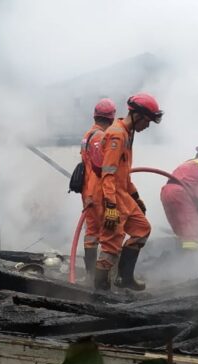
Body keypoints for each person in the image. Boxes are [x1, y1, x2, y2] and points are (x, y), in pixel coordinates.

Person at [92, 92, 163, 291]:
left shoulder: (126, 134)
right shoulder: (117, 135)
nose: (147, 126)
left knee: (142, 229)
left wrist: (136, 197)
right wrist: (111, 205)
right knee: (111, 244)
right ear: (138, 116)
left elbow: (123, 174)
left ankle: (125, 278)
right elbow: (108, 174)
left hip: (122, 194)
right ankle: (100, 290)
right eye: (147, 121)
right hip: (111, 195)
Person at [80, 98, 116, 283]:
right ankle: (105, 278)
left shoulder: (87, 135)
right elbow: (103, 167)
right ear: (111, 118)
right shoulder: (100, 137)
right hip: (99, 191)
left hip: (88, 191)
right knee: (110, 230)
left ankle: (90, 275)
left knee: (92, 232)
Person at [160, 142, 198, 250]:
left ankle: (178, 255)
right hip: (180, 194)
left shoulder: (190, 162)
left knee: (182, 231)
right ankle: (190, 258)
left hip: (166, 192)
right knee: (192, 235)